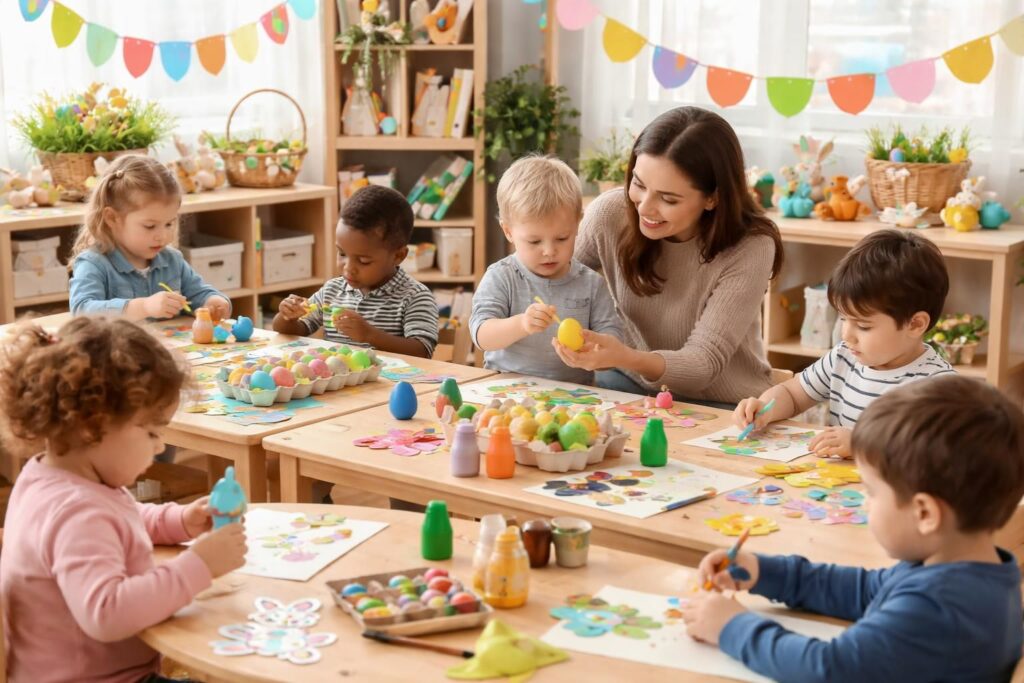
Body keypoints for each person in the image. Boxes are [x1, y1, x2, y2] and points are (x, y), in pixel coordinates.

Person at [683, 375, 1024, 682]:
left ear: (925, 513)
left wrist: (732, 627)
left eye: (873, 492)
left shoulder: (938, 607)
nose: (864, 502)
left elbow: (828, 669)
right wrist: (764, 572)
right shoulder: (964, 568)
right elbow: (863, 591)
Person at [0, 317, 248, 683]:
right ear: (90, 425)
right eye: (151, 431)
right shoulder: (76, 512)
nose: (160, 446)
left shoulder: (53, 477)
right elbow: (107, 612)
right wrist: (200, 565)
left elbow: (120, 519)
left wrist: (180, 521)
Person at [553, 106, 783, 407]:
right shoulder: (610, 214)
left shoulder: (750, 247)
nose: (644, 207)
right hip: (626, 385)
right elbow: (554, 281)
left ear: (713, 198)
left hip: (722, 405)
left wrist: (625, 356)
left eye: (668, 198)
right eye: (638, 184)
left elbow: (703, 365)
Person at [733, 229, 953, 458]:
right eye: (843, 318)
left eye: (864, 326)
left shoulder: (939, 388)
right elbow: (793, 394)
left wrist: (862, 445)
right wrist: (764, 408)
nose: (846, 335)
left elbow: (933, 456)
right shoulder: (844, 357)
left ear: (915, 324)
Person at [470, 155, 621, 384]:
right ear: (508, 231)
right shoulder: (502, 276)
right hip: (507, 392)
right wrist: (521, 324)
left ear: (577, 224)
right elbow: (482, 335)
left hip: (575, 397)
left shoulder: (591, 284)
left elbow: (613, 345)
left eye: (562, 238)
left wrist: (596, 349)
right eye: (534, 241)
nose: (549, 251)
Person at [273, 185, 438, 358]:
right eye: (342, 253)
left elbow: (422, 351)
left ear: (398, 255)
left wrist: (369, 335)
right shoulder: (333, 290)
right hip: (340, 382)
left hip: (392, 384)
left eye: (363, 261)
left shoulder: (415, 296)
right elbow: (296, 331)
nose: (348, 267)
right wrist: (287, 317)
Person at [68, 154, 231, 320]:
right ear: (112, 218)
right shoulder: (94, 264)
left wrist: (213, 301)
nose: (163, 236)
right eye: (150, 226)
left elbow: (199, 293)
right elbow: (81, 310)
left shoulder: (172, 260)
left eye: (169, 224)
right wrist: (143, 307)